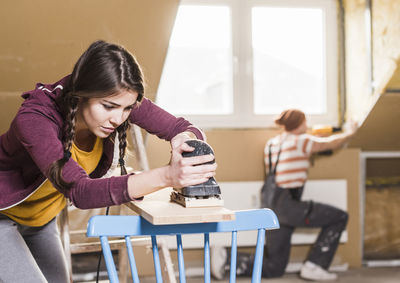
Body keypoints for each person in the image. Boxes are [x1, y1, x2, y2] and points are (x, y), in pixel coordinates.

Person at [0, 40, 217, 283]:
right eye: (108, 107)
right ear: (82, 94)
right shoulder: (35, 118)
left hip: (40, 219)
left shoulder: (118, 98)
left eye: (127, 109)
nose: (118, 119)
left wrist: (184, 142)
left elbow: (183, 127)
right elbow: (80, 192)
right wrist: (167, 176)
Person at [211, 109, 357, 281]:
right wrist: (350, 132)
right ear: (299, 123)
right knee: (339, 217)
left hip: (271, 208)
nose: (307, 125)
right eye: (305, 122)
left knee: (275, 267)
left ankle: (227, 257)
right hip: (289, 206)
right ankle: (315, 265)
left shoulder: (272, 145)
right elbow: (329, 143)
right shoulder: (301, 141)